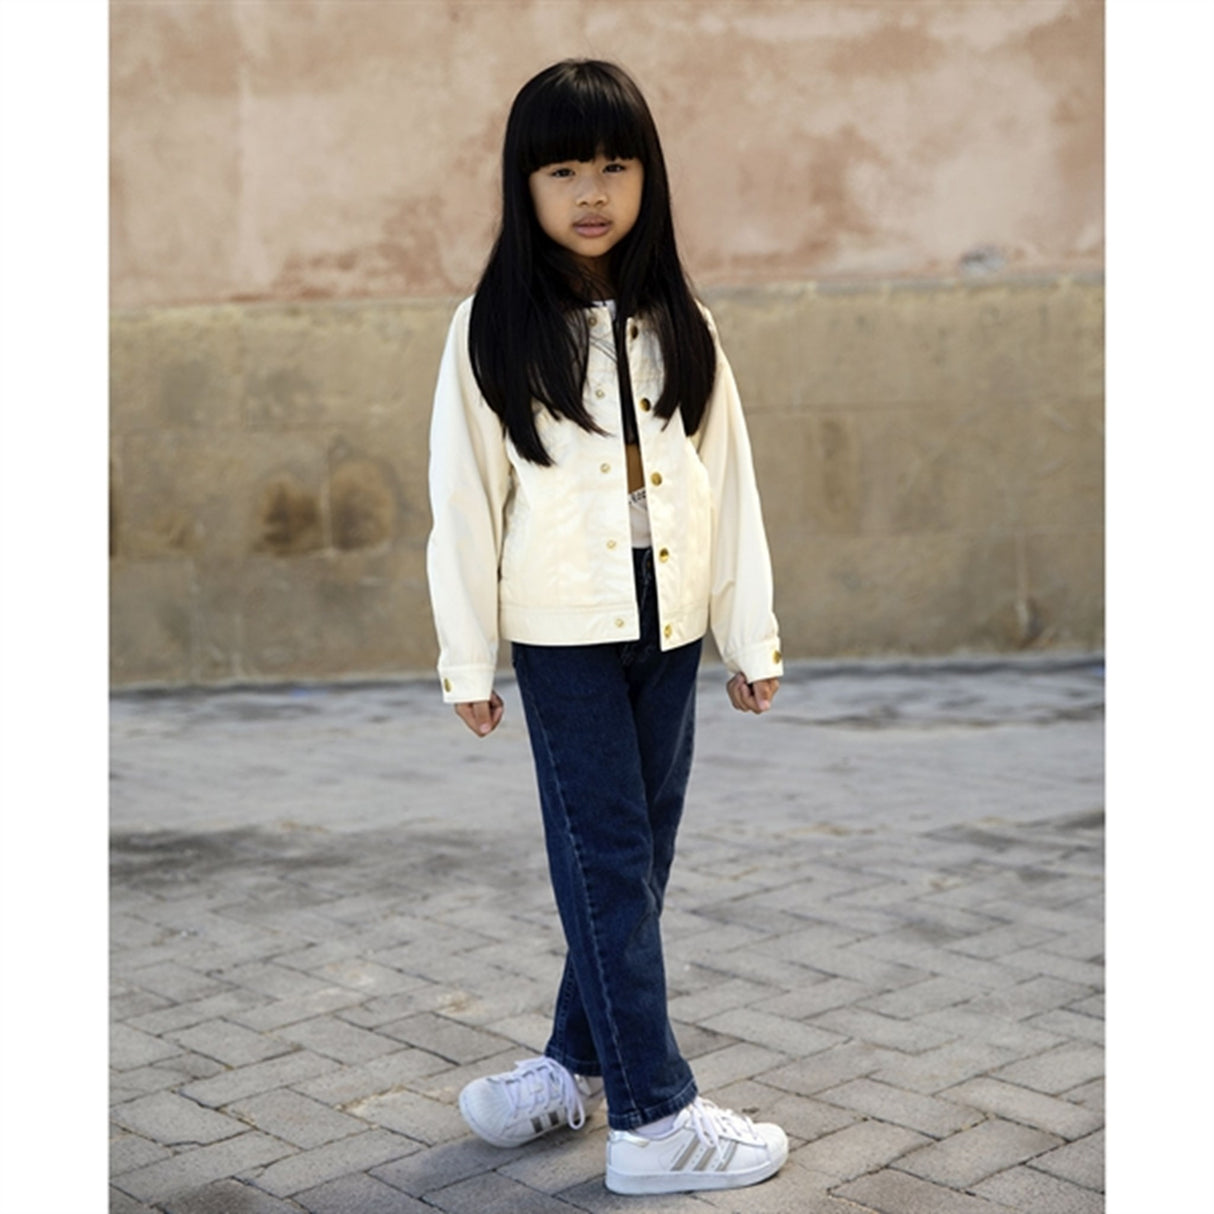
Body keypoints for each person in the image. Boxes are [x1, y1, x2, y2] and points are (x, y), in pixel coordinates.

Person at [426, 58, 788, 1196]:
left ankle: (570, 1065)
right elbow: (463, 500)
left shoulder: (685, 323)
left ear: (647, 178)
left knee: (631, 863)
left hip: (667, 622)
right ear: (523, 184)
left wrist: (749, 636)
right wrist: (468, 657)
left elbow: (727, 487)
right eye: (564, 170)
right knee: (611, 862)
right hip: (564, 632)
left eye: (615, 165)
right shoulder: (491, 329)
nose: (591, 191)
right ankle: (654, 1118)